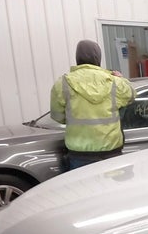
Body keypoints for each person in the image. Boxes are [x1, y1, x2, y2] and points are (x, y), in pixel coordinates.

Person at [50, 40, 135, 170]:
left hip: (79, 154)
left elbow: (57, 116)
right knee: (111, 189)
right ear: (98, 57)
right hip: (110, 151)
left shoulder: (62, 83)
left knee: (83, 189)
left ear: (77, 57)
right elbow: (131, 95)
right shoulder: (113, 81)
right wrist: (121, 79)